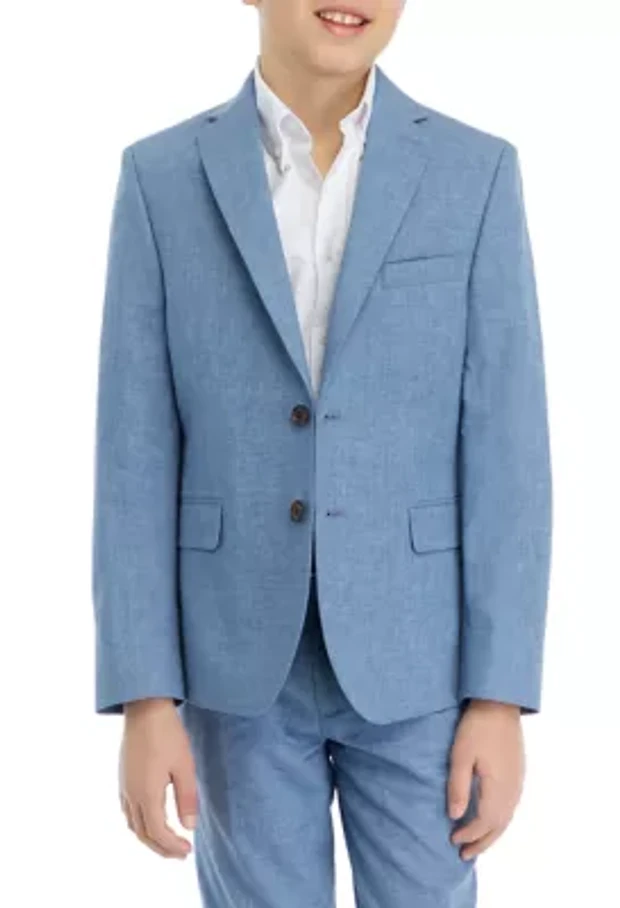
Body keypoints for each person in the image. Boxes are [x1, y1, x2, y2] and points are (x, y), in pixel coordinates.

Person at [91, 2, 552, 905]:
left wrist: (500, 696)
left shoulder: (476, 173)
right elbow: (132, 457)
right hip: (234, 663)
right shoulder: (161, 179)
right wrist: (144, 696)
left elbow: (509, 453)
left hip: (421, 661)